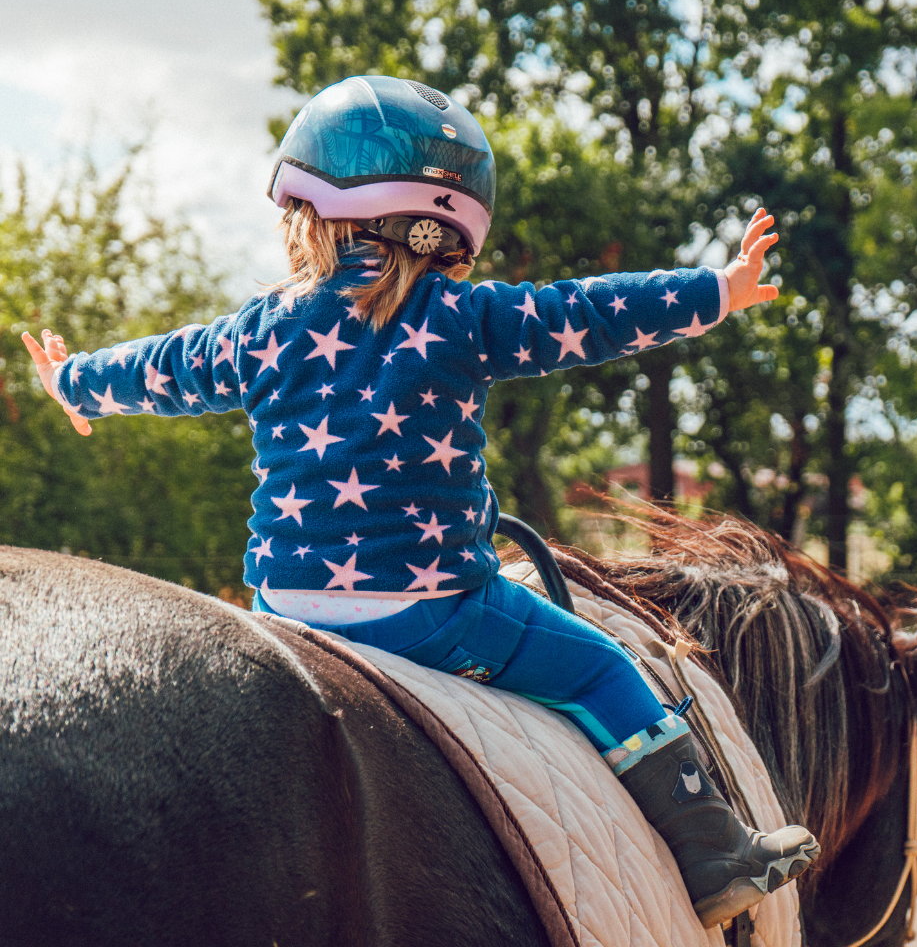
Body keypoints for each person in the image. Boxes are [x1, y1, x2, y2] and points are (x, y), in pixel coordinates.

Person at [23, 75, 818, 927]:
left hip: (287, 608)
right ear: (452, 229)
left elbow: (167, 365)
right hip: (432, 612)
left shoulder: (260, 327)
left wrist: (75, 382)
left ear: (309, 213)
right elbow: (591, 312)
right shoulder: (463, 317)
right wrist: (719, 290)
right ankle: (714, 853)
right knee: (600, 668)